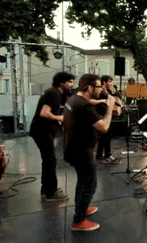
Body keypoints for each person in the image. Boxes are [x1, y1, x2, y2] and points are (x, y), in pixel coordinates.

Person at [63, 74, 116, 231]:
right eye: (98, 86)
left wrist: (101, 101)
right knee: (89, 184)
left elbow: (89, 102)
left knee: (82, 181)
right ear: (89, 88)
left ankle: (82, 207)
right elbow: (104, 127)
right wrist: (110, 107)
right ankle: (78, 221)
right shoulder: (83, 106)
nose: (101, 89)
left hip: (73, 148)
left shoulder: (74, 99)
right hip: (81, 151)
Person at [29, 71, 74, 201]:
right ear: (61, 82)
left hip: (43, 130)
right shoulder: (53, 93)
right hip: (42, 130)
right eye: (70, 82)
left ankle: (46, 188)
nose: (72, 85)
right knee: (50, 159)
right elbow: (44, 113)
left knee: (48, 159)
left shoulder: (56, 93)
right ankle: (51, 192)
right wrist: (61, 118)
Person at [95, 75, 121, 164]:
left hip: (107, 115)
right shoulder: (100, 92)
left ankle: (99, 154)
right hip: (102, 115)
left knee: (104, 136)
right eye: (109, 82)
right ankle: (107, 154)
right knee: (106, 135)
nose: (111, 84)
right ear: (104, 82)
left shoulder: (108, 91)